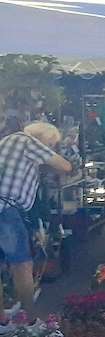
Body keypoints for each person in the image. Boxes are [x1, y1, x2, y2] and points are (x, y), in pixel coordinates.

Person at [0, 123, 71, 318]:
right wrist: (50, 163)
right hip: (6, 209)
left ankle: (2, 320)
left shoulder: (7, 140)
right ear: (42, 137)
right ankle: (30, 319)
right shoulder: (29, 142)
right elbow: (65, 165)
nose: (50, 148)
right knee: (21, 265)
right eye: (51, 143)